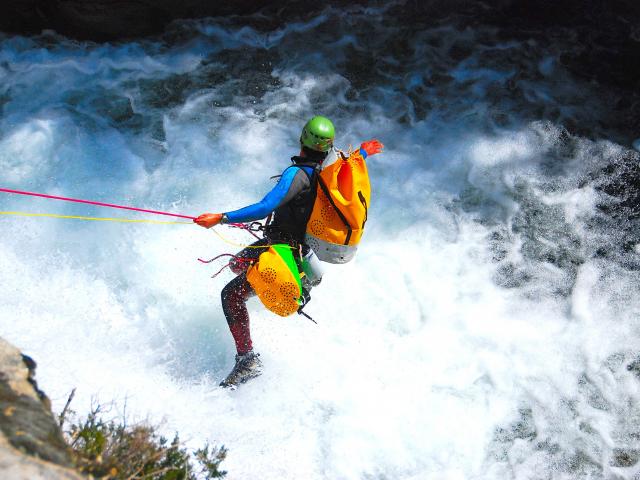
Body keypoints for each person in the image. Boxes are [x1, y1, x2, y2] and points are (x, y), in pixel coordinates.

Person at [195, 116, 382, 387]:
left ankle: (247, 360)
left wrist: (221, 217)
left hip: (278, 250)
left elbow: (265, 206)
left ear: (302, 139)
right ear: (328, 147)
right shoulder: (328, 174)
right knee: (237, 266)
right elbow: (350, 163)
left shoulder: (297, 174)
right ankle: (259, 295)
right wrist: (363, 151)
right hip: (298, 249)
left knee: (230, 295)